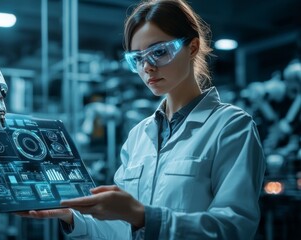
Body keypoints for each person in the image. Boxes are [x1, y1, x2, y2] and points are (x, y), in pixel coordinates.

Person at [17, 0, 266, 239]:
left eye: (159, 52)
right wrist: (71, 216)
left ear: (192, 47)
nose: (147, 67)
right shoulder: (139, 135)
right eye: (137, 58)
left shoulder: (230, 126)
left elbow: (234, 228)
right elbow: (123, 229)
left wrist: (143, 215)